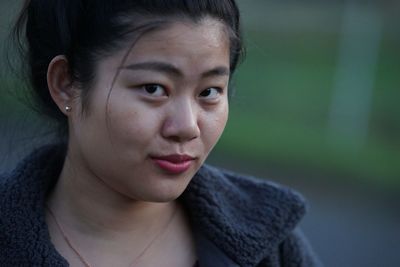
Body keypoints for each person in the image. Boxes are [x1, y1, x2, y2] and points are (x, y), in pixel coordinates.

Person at [0, 0, 322, 266]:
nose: (186, 127)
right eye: (154, 88)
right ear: (65, 83)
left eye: (209, 92)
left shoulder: (273, 248)